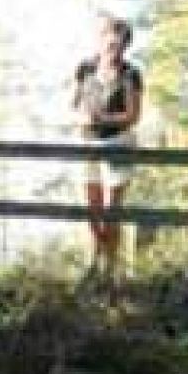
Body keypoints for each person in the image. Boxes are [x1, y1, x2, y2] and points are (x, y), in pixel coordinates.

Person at [72, 14, 142, 280]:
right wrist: (82, 119)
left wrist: (103, 118)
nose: (113, 46)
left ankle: (110, 268)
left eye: (119, 41)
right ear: (100, 40)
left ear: (125, 44)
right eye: (108, 38)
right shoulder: (85, 68)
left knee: (113, 208)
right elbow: (73, 104)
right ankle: (95, 259)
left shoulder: (130, 74)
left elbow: (132, 115)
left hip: (118, 141)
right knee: (92, 206)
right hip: (87, 140)